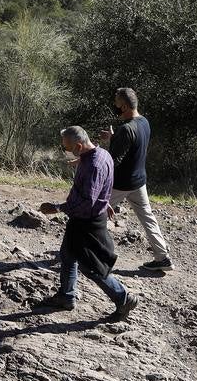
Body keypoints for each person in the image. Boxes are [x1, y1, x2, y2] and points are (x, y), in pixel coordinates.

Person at [37, 126, 138, 318]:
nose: (65, 151)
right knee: (67, 255)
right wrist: (105, 201)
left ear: (79, 145)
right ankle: (66, 296)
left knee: (91, 266)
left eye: (67, 148)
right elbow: (103, 184)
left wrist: (57, 208)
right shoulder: (101, 154)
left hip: (87, 222)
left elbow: (86, 202)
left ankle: (123, 298)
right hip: (84, 218)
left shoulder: (94, 166)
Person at [99, 87, 172, 271]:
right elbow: (133, 145)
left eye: (116, 104)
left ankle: (83, 251)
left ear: (124, 107)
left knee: (92, 212)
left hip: (121, 184)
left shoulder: (126, 129)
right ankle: (162, 257)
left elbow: (113, 162)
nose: (115, 108)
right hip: (139, 182)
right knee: (148, 218)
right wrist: (115, 138)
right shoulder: (144, 122)